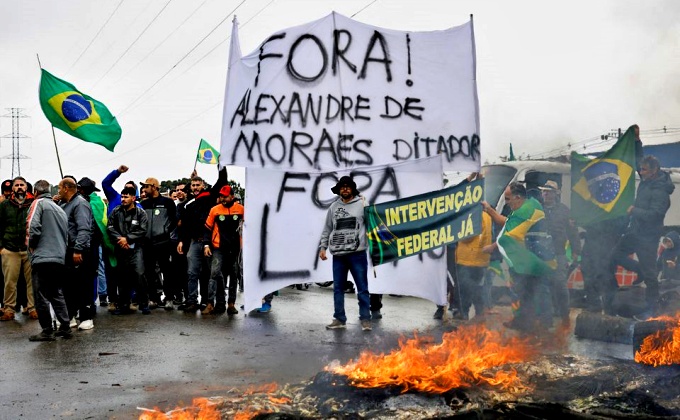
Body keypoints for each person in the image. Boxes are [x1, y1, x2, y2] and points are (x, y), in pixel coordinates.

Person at [482, 182, 555, 333]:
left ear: (518, 197)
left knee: (539, 291)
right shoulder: (530, 204)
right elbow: (508, 224)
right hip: (529, 257)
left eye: (508, 199)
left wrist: (492, 247)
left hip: (536, 258)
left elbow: (507, 233)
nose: (507, 203)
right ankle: (524, 321)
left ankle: (543, 325)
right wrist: (490, 210)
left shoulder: (524, 211)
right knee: (525, 291)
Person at [611, 156, 674, 320]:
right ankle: (637, 269)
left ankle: (652, 310)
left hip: (649, 237)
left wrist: (635, 211)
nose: (641, 172)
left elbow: (656, 214)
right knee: (614, 254)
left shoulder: (661, 191)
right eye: (640, 168)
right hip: (635, 232)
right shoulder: (645, 184)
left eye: (644, 169)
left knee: (650, 274)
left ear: (654, 171)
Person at [318, 176, 372, 331]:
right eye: (342, 187)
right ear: (339, 190)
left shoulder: (363, 204)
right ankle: (339, 319)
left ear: (352, 189)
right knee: (338, 288)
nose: (345, 189)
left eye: (348, 186)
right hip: (338, 255)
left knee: (362, 288)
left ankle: (365, 319)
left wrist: (375, 245)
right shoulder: (333, 207)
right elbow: (327, 229)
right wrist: (323, 247)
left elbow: (372, 225)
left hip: (358, 253)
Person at [26, 180, 72, 341]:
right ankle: (65, 326)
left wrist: (32, 247)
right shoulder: (59, 209)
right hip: (59, 256)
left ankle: (46, 330)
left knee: (40, 295)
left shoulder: (38, 203)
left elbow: (33, 227)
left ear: (35, 192)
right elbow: (66, 235)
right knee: (55, 293)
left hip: (42, 256)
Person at [177, 169, 228, 312]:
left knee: (215, 273)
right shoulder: (187, 204)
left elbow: (222, 181)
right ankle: (192, 301)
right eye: (193, 185)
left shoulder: (210, 197)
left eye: (198, 185)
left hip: (210, 243)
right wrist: (181, 241)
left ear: (203, 185)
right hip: (194, 242)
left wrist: (221, 166)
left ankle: (219, 303)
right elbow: (185, 226)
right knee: (192, 273)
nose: (195, 188)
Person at [539, 180, 581, 326]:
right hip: (540, 254)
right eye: (544, 191)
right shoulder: (537, 209)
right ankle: (546, 319)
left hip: (558, 253)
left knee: (560, 284)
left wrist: (576, 251)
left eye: (549, 191)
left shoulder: (564, 210)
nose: (546, 194)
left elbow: (573, 232)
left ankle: (564, 315)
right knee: (543, 286)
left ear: (556, 193)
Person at [58, 177, 96, 330]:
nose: (58, 190)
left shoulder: (80, 204)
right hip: (66, 250)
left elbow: (84, 229)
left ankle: (87, 317)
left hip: (78, 250)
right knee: (69, 285)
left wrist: (78, 249)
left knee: (83, 284)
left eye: (60, 187)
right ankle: (70, 316)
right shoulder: (63, 204)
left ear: (66, 188)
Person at [107, 187, 149, 315]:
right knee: (122, 278)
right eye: (122, 196)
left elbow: (143, 230)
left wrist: (128, 239)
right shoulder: (116, 211)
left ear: (133, 198)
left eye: (126, 197)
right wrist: (120, 239)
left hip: (136, 249)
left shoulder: (141, 213)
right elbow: (110, 227)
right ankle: (123, 305)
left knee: (139, 275)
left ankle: (143, 304)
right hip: (121, 248)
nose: (123, 199)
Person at [203, 185, 244, 315]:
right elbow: (207, 229)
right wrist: (206, 245)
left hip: (235, 248)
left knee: (234, 275)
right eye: (221, 196)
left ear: (232, 196)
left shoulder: (241, 209)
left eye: (225, 196)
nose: (222, 198)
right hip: (218, 248)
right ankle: (210, 303)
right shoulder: (215, 210)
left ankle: (231, 304)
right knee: (214, 274)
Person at [0, 177, 36, 321]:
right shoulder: (4, 205)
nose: (19, 187)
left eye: (22, 185)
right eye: (17, 185)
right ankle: (9, 309)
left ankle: (33, 308)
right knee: (10, 281)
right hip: (10, 249)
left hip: (29, 249)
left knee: (31, 281)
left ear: (26, 188)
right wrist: (1, 246)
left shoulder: (32, 204)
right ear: (13, 188)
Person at [140, 177, 178, 310]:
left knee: (166, 271)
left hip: (163, 242)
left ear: (155, 187)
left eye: (146, 186)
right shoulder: (144, 204)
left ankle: (169, 298)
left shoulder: (167, 202)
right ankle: (153, 298)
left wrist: (165, 231)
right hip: (147, 243)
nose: (144, 189)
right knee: (149, 271)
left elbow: (174, 220)